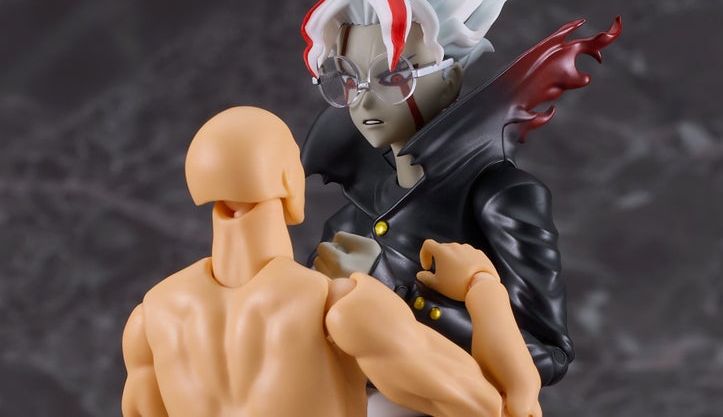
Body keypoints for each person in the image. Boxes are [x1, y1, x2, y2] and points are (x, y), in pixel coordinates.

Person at [301, 0, 622, 392]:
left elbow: (548, 356)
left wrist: (401, 300)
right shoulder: (349, 218)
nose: (364, 101)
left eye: (392, 77)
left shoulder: (500, 197)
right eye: (348, 78)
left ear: (449, 80)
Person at [121, 106, 543, 417]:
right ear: (289, 182)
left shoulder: (150, 320)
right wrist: (482, 287)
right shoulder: (337, 308)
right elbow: (504, 409)